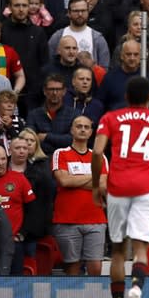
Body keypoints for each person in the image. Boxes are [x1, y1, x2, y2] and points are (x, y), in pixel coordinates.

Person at [91, 75, 149, 298]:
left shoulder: (111, 118)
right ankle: (136, 289)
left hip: (117, 186)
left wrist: (96, 184)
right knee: (140, 249)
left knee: (117, 251)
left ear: (126, 98)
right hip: (147, 188)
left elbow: (97, 152)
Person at [53, 116, 107, 275]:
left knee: (96, 268)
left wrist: (74, 180)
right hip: (67, 220)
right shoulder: (60, 153)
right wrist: (94, 177)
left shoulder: (100, 156)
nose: (82, 129)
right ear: (71, 129)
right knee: (72, 269)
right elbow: (63, 181)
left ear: (91, 132)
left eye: (86, 127)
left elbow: (104, 186)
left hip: (96, 219)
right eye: (79, 126)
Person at [0, 143, 35, 275]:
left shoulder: (19, 179)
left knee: (14, 283)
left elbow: (32, 210)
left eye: (3, 159)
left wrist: (22, 233)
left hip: (13, 241)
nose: (0, 163)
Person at [0, 0, 49, 117]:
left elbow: (45, 63)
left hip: (33, 93)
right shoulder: (2, 30)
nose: (21, 9)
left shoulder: (38, 32)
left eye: (24, 5)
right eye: (17, 5)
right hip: (5, 91)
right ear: (9, 7)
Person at [97, 40, 149, 113]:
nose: (132, 58)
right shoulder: (109, 78)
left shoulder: (148, 78)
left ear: (141, 56)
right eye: (128, 54)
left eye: (136, 54)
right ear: (122, 56)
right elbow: (99, 104)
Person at [47, 0, 110, 70]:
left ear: (88, 12)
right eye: (76, 11)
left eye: (83, 11)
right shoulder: (57, 37)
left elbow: (104, 68)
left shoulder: (98, 38)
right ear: (69, 13)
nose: (80, 14)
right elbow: (49, 63)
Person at [26, 74, 81, 156]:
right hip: (40, 158)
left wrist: (46, 136)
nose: (55, 93)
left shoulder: (75, 114)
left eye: (58, 89)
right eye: (51, 89)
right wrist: (61, 139)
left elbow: (74, 139)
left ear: (64, 91)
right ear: (44, 91)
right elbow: (29, 139)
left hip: (67, 158)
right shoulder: (34, 115)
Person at [110, 11, 149, 76]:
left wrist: (146, 60)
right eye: (135, 24)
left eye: (142, 25)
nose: (139, 27)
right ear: (129, 26)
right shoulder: (121, 47)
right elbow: (114, 69)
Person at [0, 90, 25, 154]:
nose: (10, 105)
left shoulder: (20, 121)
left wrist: (11, 128)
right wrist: (0, 129)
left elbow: (21, 144)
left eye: (12, 103)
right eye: (6, 102)